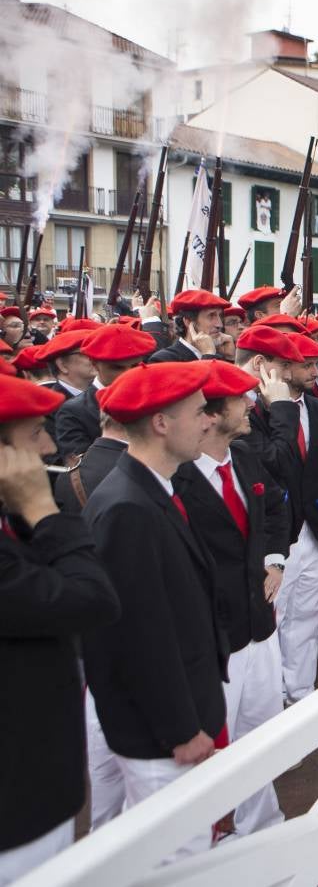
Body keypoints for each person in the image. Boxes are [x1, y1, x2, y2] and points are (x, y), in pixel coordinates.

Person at [81, 362, 226, 861]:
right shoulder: (126, 508)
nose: (210, 421)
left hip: (170, 720)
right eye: (199, 412)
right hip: (160, 735)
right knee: (177, 856)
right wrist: (180, 730)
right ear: (161, 424)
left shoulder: (151, 488)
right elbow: (136, 639)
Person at [0, 378, 118, 883]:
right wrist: (44, 511)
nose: (49, 447)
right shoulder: (30, 515)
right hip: (17, 807)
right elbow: (90, 600)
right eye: (33, 436)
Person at [173, 361, 289, 836]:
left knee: (262, 737)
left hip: (259, 627)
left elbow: (276, 505)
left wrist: (276, 559)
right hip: (213, 640)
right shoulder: (176, 478)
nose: (251, 405)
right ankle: (210, 836)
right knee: (212, 751)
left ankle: (262, 825)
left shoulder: (243, 457)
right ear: (211, 414)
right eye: (241, 400)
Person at [266, 333, 318, 706]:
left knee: (308, 615)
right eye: (307, 365)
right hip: (279, 539)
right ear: (282, 368)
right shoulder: (258, 414)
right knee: (276, 617)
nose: (316, 371)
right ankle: (273, 696)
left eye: (316, 364)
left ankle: (301, 693)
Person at [54, 324, 157, 459]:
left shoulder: (155, 399)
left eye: (135, 366)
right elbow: (84, 468)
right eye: (117, 368)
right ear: (94, 364)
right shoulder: (74, 412)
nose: (127, 374)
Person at [150, 290, 227, 363]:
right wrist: (208, 355)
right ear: (188, 322)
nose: (219, 324)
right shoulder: (164, 359)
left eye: (220, 316)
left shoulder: (218, 355)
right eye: (211, 316)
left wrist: (231, 357)